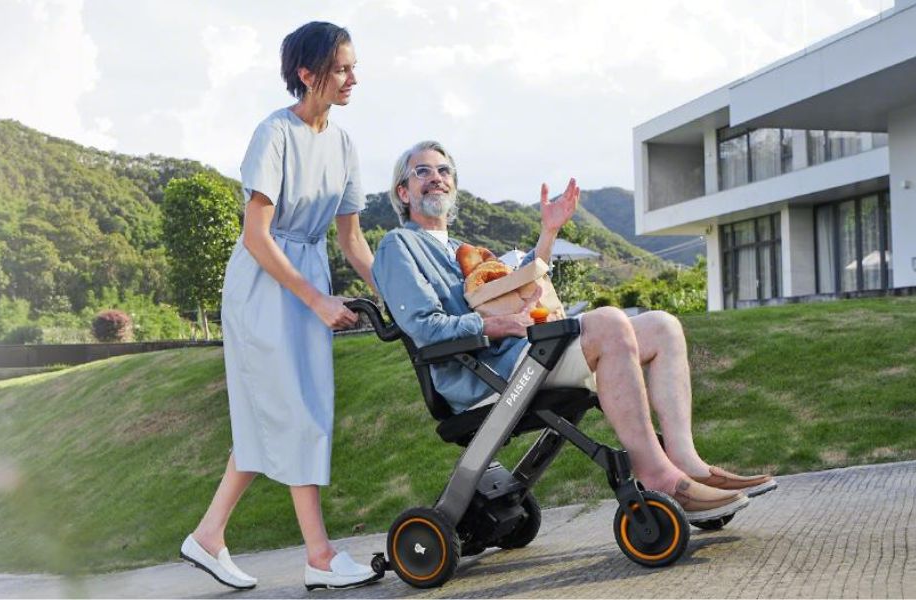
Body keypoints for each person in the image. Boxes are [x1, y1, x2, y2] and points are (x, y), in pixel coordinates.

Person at [372, 140, 776, 522]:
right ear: (403, 192)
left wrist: (548, 233)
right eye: (422, 171)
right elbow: (426, 328)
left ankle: (688, 464)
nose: (437, 177)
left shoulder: (461, 247)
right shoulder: (397, 247)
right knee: (609, 321)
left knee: (663, 326)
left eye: (445, 170)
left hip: (523, 359)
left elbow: (519, 286)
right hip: (485, 377)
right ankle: (660, 478)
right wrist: (498, 324)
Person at [179, 22, 379, 591]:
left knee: (281, 411)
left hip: (308, 273)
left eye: (352, 67)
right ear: (307, 74)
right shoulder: (274, 134)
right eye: (341, 68)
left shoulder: (342, 143)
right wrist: (316, 299)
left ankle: (209, 535)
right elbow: (257, 237)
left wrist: (398, 292)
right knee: (293, 410)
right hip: (264, 286)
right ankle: (319, 556)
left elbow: (353, 241)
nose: (352, 79)